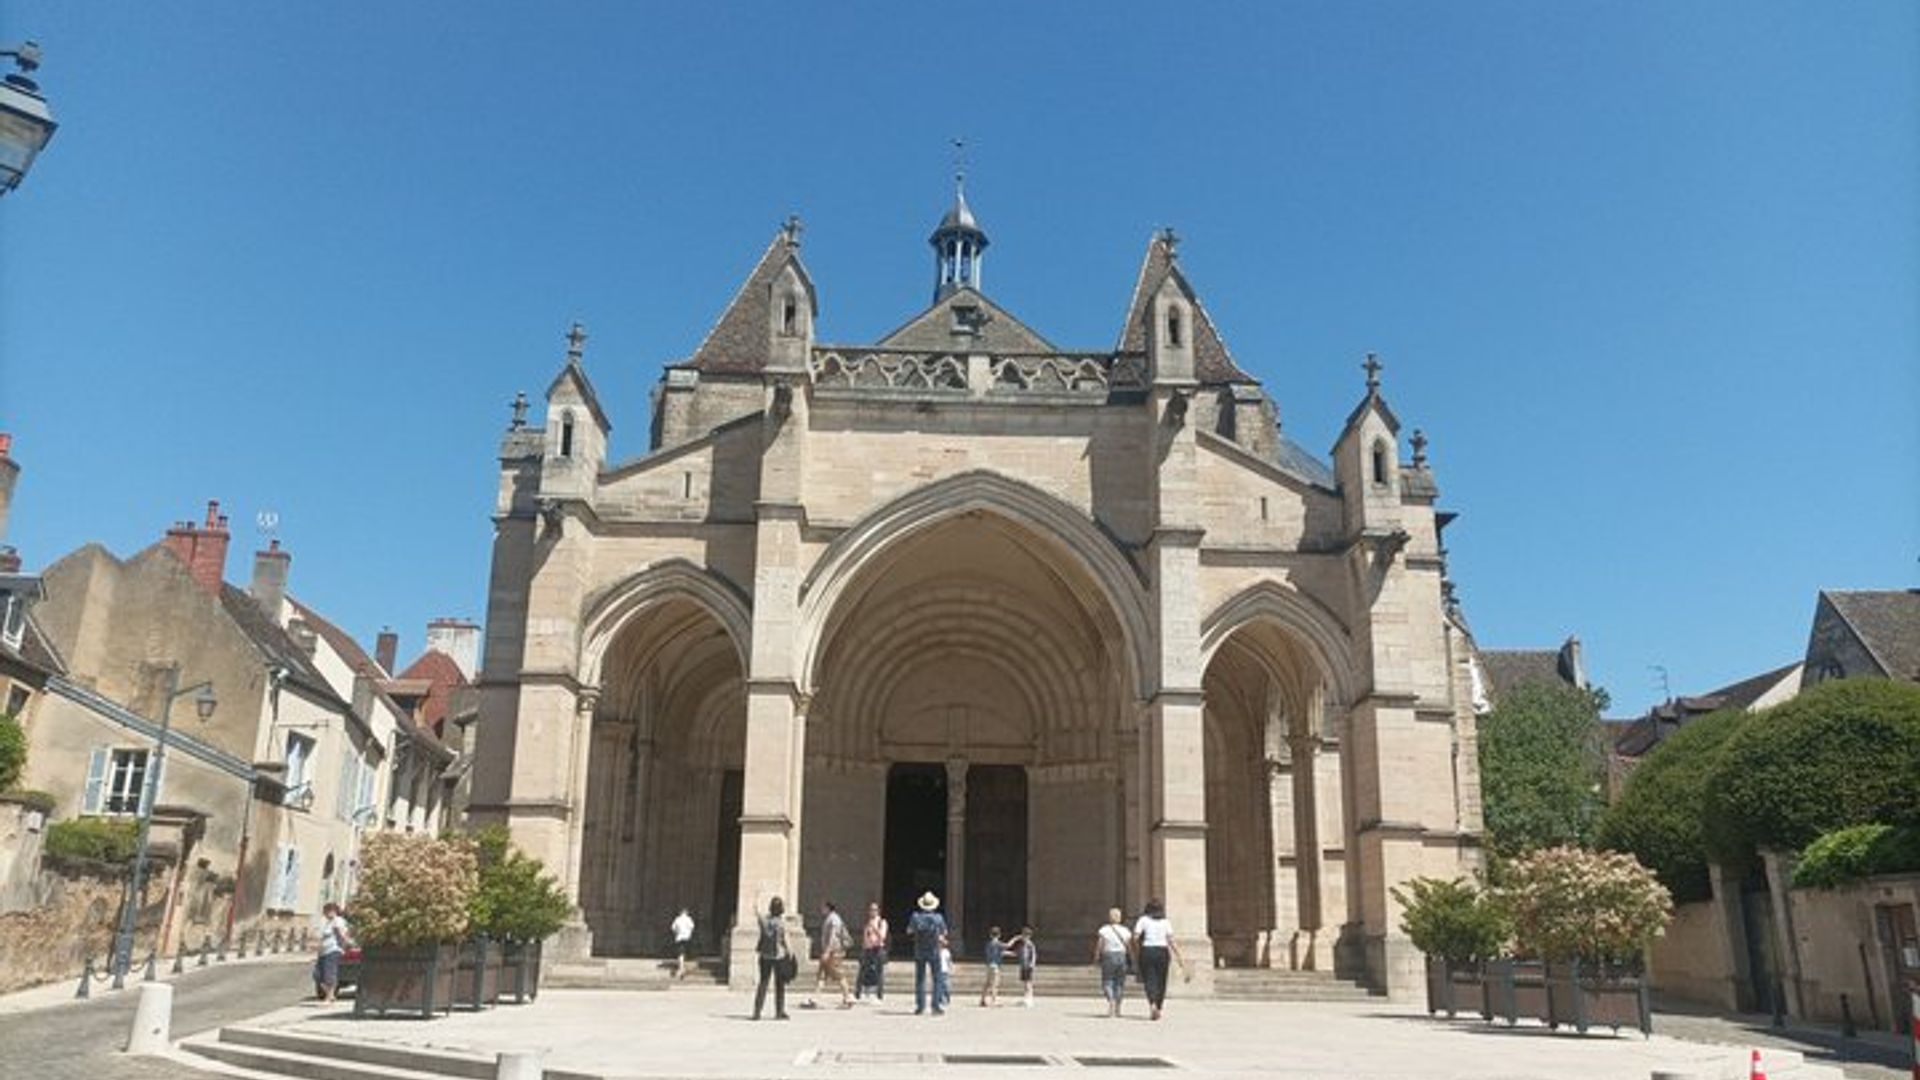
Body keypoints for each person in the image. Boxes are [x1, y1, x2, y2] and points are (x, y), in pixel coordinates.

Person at [1130, 898, 1185, 1021]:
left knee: (1149, 980)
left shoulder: (1143, 920)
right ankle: (1159, 1007)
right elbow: (1171, 940)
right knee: (1161, 981)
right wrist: (1179, 956)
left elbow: (1135, 937)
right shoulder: (1165, 922)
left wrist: (1137, 949)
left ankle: (1152, 1005)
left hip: (1147, 950)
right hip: (1162, 951)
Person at [906, 891, 948, 1015]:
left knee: (920, 979)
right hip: (934, 951)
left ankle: (920, 1006)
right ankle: (936, 1006)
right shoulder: (938, 918)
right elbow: (944, 932)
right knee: (937, 979)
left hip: (919, 951)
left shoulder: (916, 917)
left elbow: (909, 930)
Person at [752, 896, 794, 1020]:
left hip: (764, 955)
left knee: (763, 983)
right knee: (779, 985)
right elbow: (786, 940)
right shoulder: (782, 923)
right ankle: (779, 1011)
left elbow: (757, 913)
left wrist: (756, 901)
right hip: (779, 956)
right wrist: (791, 953)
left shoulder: (764, 921)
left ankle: (757, 1011)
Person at [810, 900, 853, 1009]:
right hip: (829, 951)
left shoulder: (834, 919)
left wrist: (827, 952)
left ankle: (848, 998)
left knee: (838, 974)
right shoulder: (830, 918)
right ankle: (815, 998)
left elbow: (833, 937)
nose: (821, 909)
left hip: (834, 952)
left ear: (828, 908)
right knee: (822, 975)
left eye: (823, 907)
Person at [1092, 907, 1132, 1017]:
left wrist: (1096, 956)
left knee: (1107, 980)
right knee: (1119, 982)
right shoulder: (1126, 931)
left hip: (1108, 955)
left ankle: (1111, 1001)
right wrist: (1132, 958)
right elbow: (1129, 946)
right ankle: (1118, 1007)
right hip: (1121, 956)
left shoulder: (1104, 930)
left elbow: (1100, 944)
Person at [313, 901, 353, 1002]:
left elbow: (340, 934)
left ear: (334, 911)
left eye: (328, 911)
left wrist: (346, 944)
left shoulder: (337, 921)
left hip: (333, 950)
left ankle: (329, 996)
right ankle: (330, 994)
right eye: (325, 911)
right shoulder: (327, 922)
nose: (326, 913)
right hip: (323, 951)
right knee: (317, 974)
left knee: (329, 973)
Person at [856, 900, 888, 1001]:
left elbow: (882, 937)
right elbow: (865, 937)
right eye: (870, 910)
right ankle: (857, 993)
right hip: (868, 949)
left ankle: (879, 995)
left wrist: (874, 928)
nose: (872, 912)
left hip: (878, 949)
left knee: (879, 972)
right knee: (862, 971)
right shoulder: (867, 923)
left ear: (878, 911)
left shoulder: (881, 922)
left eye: (874, 910)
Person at [1007, 925, 1038, 1008]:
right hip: (1023, 965)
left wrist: (1032, 964)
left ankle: (1030, 998)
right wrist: (1006, 953)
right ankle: (1026, 997)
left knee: (1028, 983)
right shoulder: (1021, 945)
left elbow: (1034, 955)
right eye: (1023, 935)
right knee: (1025, 983)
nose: (1023, 937)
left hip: (1028, 965)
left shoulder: (1030, 945)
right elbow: (1016, 953)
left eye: (1025, 935)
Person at [979, 926, 1006, 1007]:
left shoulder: (989, 944)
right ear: (999, 935)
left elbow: (1000, 952)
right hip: (995, 966)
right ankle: (994, 1001)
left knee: (987, 983)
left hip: (989, 965)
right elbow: (1007, 945)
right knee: (995, 984)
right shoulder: (998, 944)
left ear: (990, 935)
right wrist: (1016, 938)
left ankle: (982, 1000)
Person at [670, 908, 695, 980]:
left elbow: (673, 928)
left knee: (680, 952)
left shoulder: (678, 919)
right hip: (687, 937)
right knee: (684, 952)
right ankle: (682, 967)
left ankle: (681, 966)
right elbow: (692, 927)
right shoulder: (689, 919)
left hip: (679, 937)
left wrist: (678, 931)